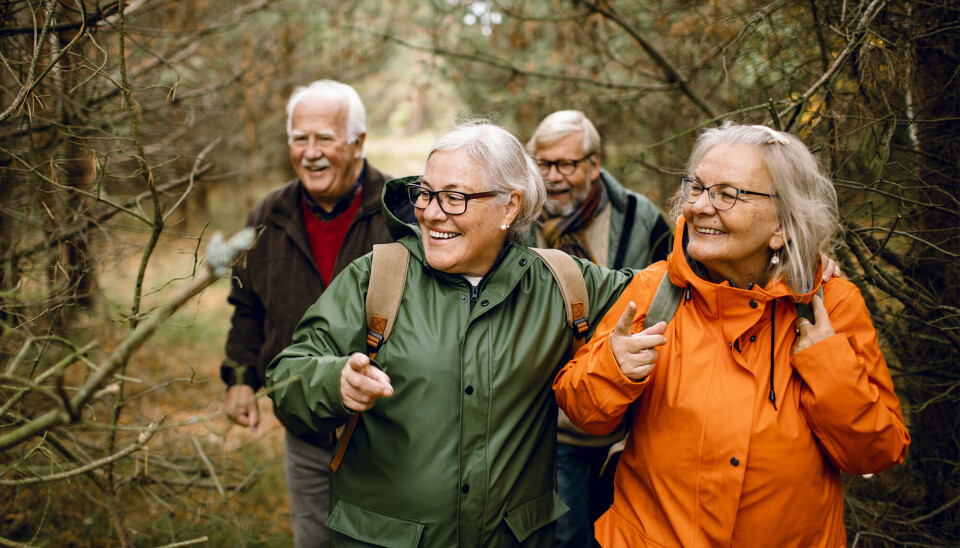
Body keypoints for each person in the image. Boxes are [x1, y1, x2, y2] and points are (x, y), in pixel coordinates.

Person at [265, 121, 633, 547]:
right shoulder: (378, 277)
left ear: (509, 206)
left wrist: (706, 229)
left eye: (454, 198)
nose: (432, 213)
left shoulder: (559, 283)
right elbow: (287, 374)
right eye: (426, 193)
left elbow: (668, 295)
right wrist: (335, 382)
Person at [554, 122, 911, 547]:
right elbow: (581, 411)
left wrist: (828, 365)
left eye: (728, 194)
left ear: (782, 225)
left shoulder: (828, 305)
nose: (701, 206)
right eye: (697, 187)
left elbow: (877, 451)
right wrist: (613, 369)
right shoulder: (655, 291)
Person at [220, 80, 393, 547]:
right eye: (300, 138)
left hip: (386, 431)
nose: (311, 152)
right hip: (303, 424)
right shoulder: (268, 216)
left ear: (357, 143)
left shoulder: (399, 216)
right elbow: (248, 307)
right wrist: (239, 378)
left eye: (325, 138)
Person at [527, 110, 672, 547]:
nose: (553, 177)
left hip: (630, 414)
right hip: (551, 417)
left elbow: (681, 277)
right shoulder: (518, 219)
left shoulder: (637, 216)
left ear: (593, 165)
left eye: (566, 165)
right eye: (543, 164)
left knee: (622, 533)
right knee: (566, 535)